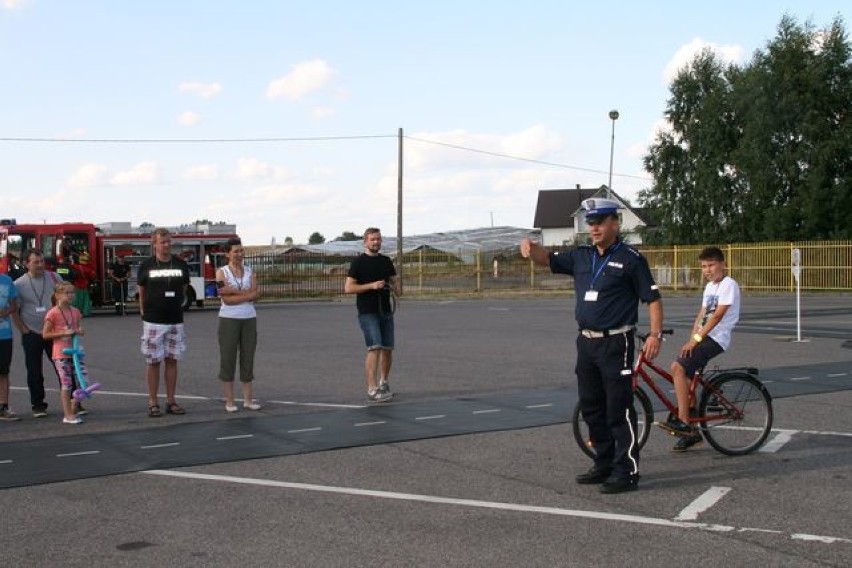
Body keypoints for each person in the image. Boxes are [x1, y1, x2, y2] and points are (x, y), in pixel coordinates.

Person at [520, 198, 663, 494]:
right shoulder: (582, 257)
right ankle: (604, 462)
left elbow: (652, 299)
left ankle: (626, 471)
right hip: (586, 343)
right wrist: (529, 248)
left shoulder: (631, 259)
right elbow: (546, 258)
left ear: (615, 223)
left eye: (600, 222)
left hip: (616, 341)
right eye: (591, 222)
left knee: (618, 409)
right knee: (591, 407)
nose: (594, 228)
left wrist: (655, 335)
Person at [658, 247, 741, 451]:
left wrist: (695, 341)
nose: (707, 270)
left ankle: (685, 422)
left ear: (723, 264)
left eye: (711, 265)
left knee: (676, 368)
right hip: (703, 338)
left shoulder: (728, 285)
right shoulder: (710, 287)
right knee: (686, 377)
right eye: (704, 266)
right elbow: (702, 314)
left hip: (716, 338)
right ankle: (693, 434)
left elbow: (717, 316)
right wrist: (692, 338)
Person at [137, 228, 191, 418]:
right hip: (153, 320)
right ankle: (153, 402)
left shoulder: (181, 265)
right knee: (153, 362)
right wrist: (144, 311)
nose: (167, 245)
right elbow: (142, 291)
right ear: (155, 244)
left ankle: (171, 400)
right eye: (163, 242)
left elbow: (184, 288)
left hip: (175, 320)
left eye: (169, 242)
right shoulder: (147, 265)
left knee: (172, 360)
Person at [344, 227, 400, 403]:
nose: (376, 242)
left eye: (378, 239)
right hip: (368, 312)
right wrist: (371, 286)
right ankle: (372, 388)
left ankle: (384, 382)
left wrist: (395, 286)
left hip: (385, 310)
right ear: (365, 242)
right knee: (374, 347)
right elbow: (349, 288)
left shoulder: (386, 261)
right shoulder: (358, 263)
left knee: (388, 348)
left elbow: (396, 284)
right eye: (372, 239)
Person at [12, 249, 64, 417]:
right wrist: (23, 330)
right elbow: (15, 310)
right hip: (32, 332)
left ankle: (73, 400)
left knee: (63, 367)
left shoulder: (55, 278)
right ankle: (38, 405)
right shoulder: (18, 285)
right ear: (27, 264)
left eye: (42, 261)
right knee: (34, 371)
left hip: (54, 332)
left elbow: (64, 302)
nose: (41, 265)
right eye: (36, 262)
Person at [216, 237, 261, 413]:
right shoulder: (222, 272)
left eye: (241, 250)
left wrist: (235, 291)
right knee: (228, 357)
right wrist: (246, 294)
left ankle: (248, 399)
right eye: (236, 251)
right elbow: (225, 298)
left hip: (249, 318)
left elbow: (256, 294)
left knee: (248, 356)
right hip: (229, 319)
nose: (240, 254)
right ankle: (229, 400)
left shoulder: (250, 271)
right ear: (228, 253)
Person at [42, 282, 89, 424]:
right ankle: (67, 415)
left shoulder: (75, 311)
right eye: (66, 293)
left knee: (84, 381)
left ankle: (75, 404)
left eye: (72, 293)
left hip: (75, 352)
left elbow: (78, 327)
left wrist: (80, 331)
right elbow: (45, 334)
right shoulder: (53, 313)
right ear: (57, 295)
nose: (70, 295)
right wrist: (62, 332)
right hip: (61, 353)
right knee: (67, 384)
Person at [0, 272, 21, 421]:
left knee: (3, 372)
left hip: (4, 334)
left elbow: (14, 305)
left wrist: (5, 312)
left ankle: (3, 406)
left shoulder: (7, 281)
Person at [70, 252, 93, 317]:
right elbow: (92, 276)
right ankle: (86, 312)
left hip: (77, 285)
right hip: (85, 286)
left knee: (76, 300)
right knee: (86, 300)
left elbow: (70, 266)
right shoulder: (89, 268)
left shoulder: (76, 267)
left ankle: (76, 312)